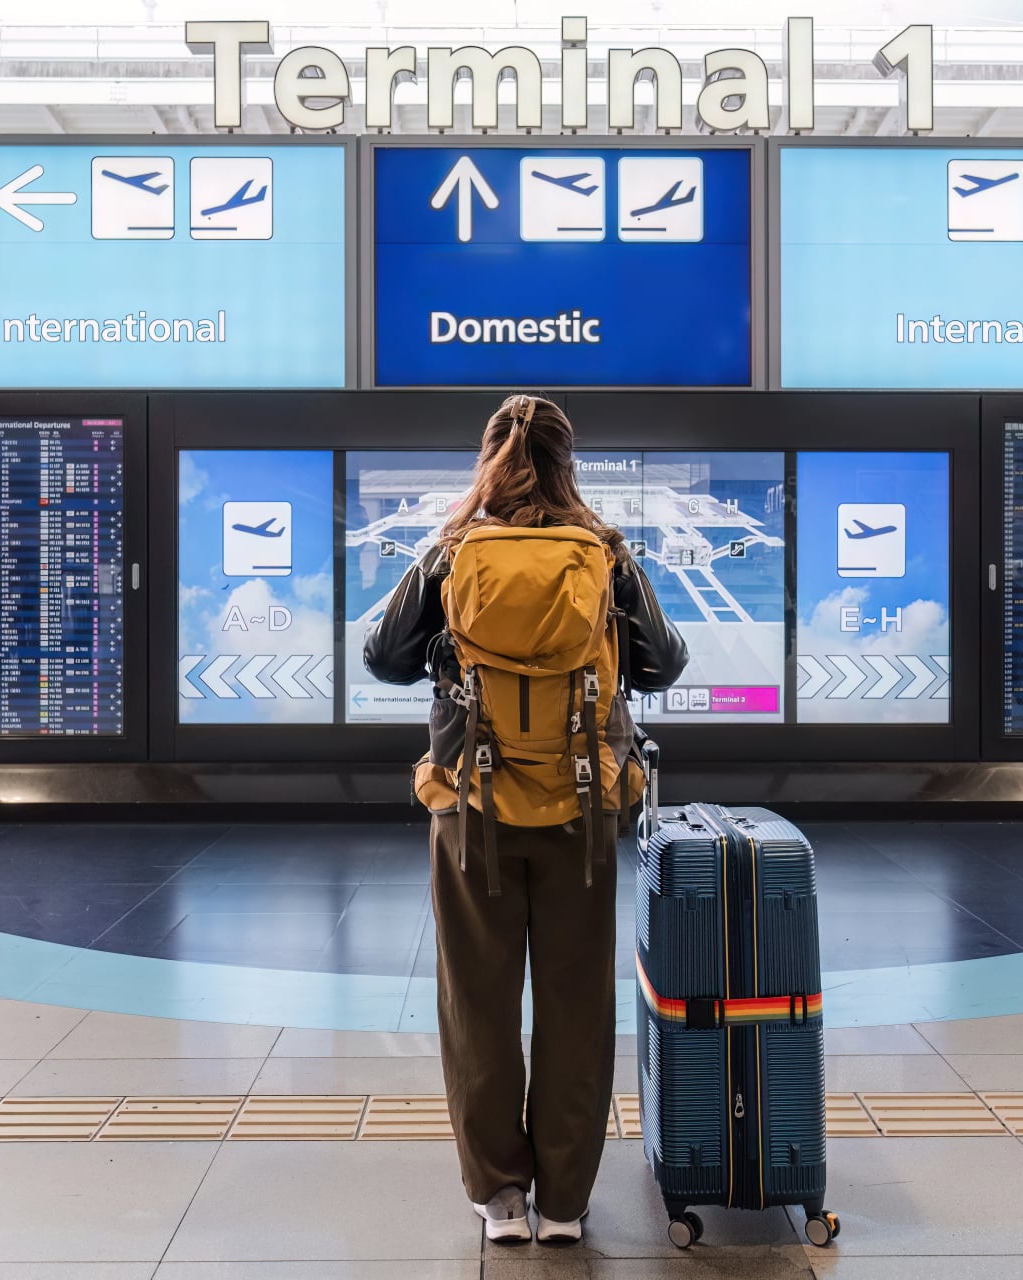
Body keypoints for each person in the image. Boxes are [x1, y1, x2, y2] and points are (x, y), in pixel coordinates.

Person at [364, 393, 687, 1247]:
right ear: (566, 462)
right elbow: (665, 663)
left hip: (472, 812)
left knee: (478, 1003)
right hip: (581, 814)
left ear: (488, 461)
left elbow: (384, 658)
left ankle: (500, 1196)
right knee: (577, 1004)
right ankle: (568, 1204)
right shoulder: (604, 554)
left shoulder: (451, 551)